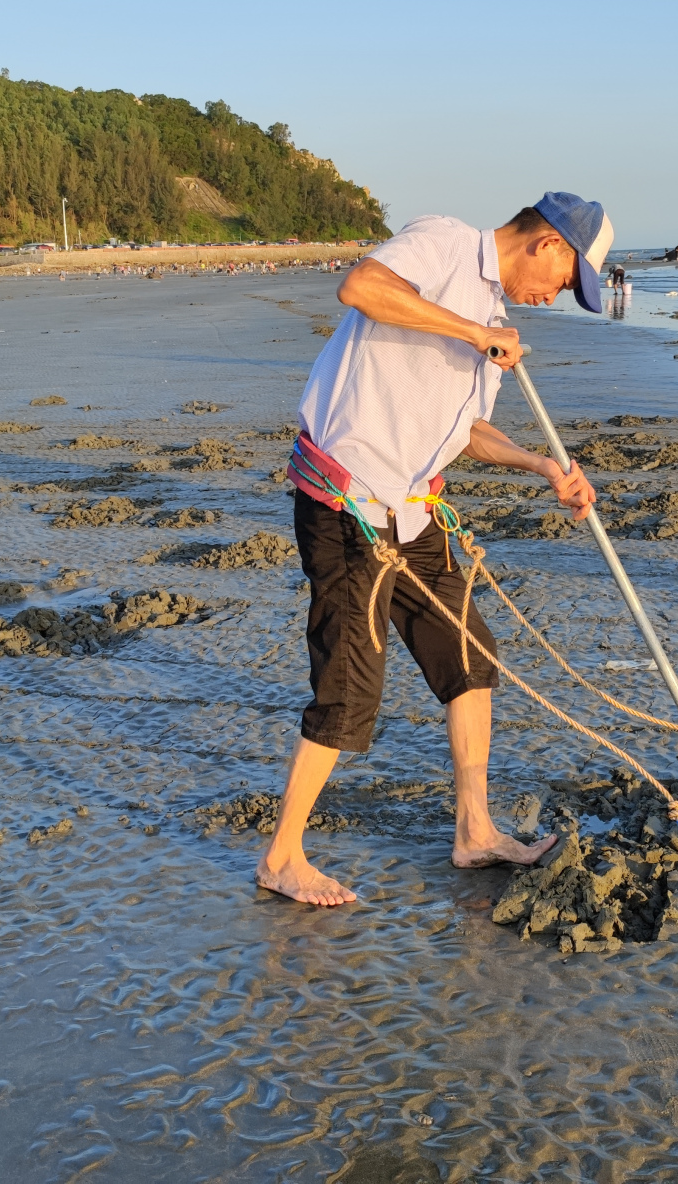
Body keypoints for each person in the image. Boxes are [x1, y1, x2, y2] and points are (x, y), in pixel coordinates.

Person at [256, 192, 612, 906]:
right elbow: (361, 286)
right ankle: (282, 855)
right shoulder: (447, 244)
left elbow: (467, 433)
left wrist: (544, 467)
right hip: (346, 500)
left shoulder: (492, 323)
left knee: (470, 657)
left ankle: (475, 830)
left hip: (414, 508)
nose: (556, 298)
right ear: (548, 243)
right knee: (351, 682)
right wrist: (472, 334)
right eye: (567, 282)